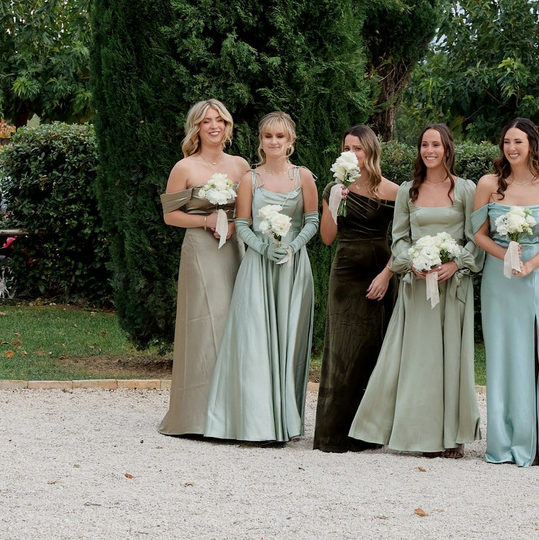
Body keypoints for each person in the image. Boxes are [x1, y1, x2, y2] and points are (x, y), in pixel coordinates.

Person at [350, 124, 480, 457]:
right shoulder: (409, 190)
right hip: (417, 287)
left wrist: (455, 264)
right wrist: (413, 263)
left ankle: (452, 437)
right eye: (424, 144)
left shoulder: (466, 189)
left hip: (453, 289)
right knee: (419, 362)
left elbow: (475, 239)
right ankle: (418, 434)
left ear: (447, 149)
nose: (429, 150)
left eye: (436, 144)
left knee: (451, 359)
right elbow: (399, 239)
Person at [204, 111, 320, 443]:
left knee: (288, 342)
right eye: (268, 136)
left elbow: (312, 219)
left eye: (280, 137)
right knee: (254, 340)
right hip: (257, 267)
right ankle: (253, 422)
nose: (274, 142)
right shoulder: (250, 179)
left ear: (290, 142)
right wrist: (262, 248)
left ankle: (285, 421)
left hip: (293, 269)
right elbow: (241, 224)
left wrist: (293, 247)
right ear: (261, 141)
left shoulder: (304, 177)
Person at [472, 118, 539, 468]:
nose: (511, 148)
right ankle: (504, 441)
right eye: (506, 142)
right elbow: (479, 235)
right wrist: (507, 256)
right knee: (502, 355)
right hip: (500, 280)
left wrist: (529, 265)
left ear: (532, 144)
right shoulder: (488, 184)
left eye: (518, 142)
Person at [158, 98, 247, 439]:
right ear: (196, 126)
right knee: (203, 322)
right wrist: (206, 218)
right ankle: (196, 416)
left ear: (227, 127)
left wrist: (238, 224)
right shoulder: (185, 168)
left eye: (220, 121)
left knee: (234, 322)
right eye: (207, 121)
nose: (214, 126)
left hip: (234, 249)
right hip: (200, 250)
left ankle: (234, 411)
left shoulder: (240, 166)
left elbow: (250, 210)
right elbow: (170, 216)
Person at [314, 125, 399, 452]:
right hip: (346, 271)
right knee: (342, 348)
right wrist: (334, 204)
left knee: (371, 349)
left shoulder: (393, 191)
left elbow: (405, 238)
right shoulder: (333, 188)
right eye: (346, 148)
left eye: (358, 148)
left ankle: (367, 434)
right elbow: (326, 238)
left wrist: (387, 274)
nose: (351, 154)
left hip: (379, 270)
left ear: (371, 151)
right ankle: (334, 433)